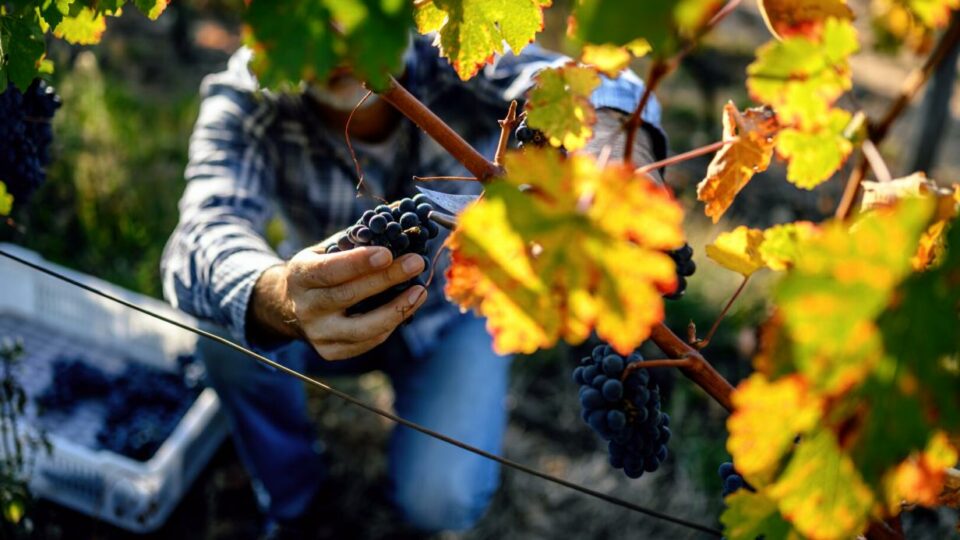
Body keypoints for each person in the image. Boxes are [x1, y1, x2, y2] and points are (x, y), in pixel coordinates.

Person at [160, 35, 667, 539]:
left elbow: (600, 81)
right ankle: (295, 502)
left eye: (359, 15)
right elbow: (200, 235)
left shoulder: (456, 46)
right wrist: (277, 296)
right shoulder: (253, 90)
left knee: (442, 501)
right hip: (319, 315)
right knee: (225, 323)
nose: (339, 39)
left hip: (451, 319)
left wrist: (613, 141)